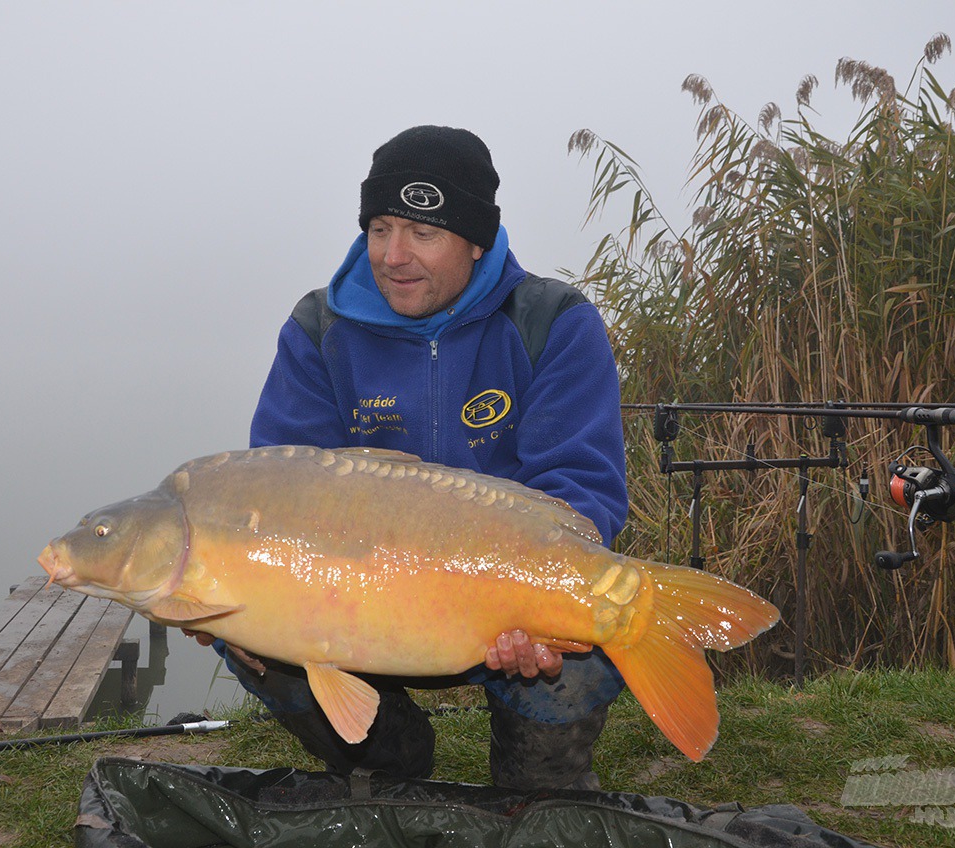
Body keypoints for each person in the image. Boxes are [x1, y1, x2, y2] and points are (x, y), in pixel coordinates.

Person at [189, 125, 629, 791]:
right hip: (361, 608)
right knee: (244, 629)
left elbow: (583, 486)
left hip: (501, 596)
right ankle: (387, 758)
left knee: (583, 644)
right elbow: (277, 496)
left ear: (476, 240)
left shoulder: (553, 322)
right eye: (380, 228)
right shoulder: (319, 332)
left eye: (423, 232)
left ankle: (533, 778)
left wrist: (535, 609)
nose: (394, 255)